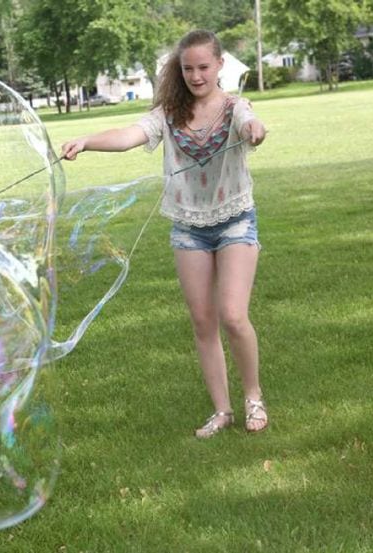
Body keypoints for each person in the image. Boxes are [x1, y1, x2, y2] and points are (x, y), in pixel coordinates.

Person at [61, 29, 268, 437]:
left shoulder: (234, 106)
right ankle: (222, 411)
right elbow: (126, 137)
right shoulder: (168, 112)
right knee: (202, 322)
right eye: (188, 68)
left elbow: (249, 123)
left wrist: (254, 129)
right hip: (188, 227)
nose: (196, 75)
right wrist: (86, 141)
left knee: (232, 314)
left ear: (220, 65)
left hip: (235, 220)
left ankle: (253, 397)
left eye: (204, 67)